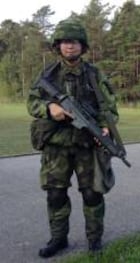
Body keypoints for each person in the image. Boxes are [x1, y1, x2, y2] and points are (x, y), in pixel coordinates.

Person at [26, 19, 119, 257]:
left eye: (75, 42)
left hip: (87, 145)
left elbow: (109, 109)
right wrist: (49, 109)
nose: (70, 46)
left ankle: (94, 240)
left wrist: (106, 128)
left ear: (83, 46)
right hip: (56, 146)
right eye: (66, 42)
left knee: (92, 193)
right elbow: (32, 102)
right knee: (55, 194)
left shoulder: (94, 74)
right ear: (58, 46)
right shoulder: (48, 74)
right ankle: (58, 239)